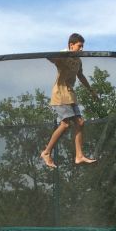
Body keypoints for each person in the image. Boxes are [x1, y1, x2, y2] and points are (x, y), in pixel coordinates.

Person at [40, 33, 100, 168]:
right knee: (65, 124)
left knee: (80, 122)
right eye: (79, 46)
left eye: (83, 46)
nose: (81, 49)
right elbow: (49, 57)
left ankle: (79, 156)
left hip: (70, 93)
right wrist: (60, 56)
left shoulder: (78, 60)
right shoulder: (63, 54)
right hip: (60, 93)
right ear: (71, 45)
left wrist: (91, 91)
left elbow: (81, 75)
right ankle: (46, 152)